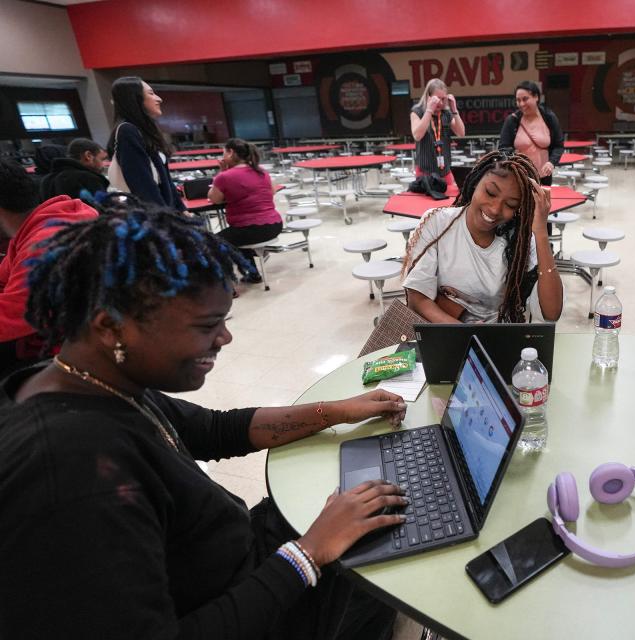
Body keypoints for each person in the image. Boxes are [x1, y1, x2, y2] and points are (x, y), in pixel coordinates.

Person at [0, 202, 408, 639]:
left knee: (367, 499)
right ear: (110, 327)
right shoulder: (69, 473)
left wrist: (336, 410)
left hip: (238, 560)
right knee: (386, 556)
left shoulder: (94, 378)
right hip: (242, 607)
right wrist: (309, 553)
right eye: (206, 326)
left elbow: (215, 430)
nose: (225, 338)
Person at [402, 150, 562, 323]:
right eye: (490, 193)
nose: (494, 209)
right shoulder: (438, 223)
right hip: (443, 332)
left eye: (510, 204)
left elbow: (551, 313)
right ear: (475, 182)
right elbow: (417, 298)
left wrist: (540, 230)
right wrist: (466, 334)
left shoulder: (520, 241)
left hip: (496, 337)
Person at [0, 160, 98, 378]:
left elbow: (11, 317)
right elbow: (5, 277)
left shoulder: (44, 243)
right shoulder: (39, 225)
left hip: (71, 355)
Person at [208, 138, 283, 284]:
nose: (222, 157)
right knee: (235, 236)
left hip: (251, 230)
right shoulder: (261, 171)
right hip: (274, 225)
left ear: (230, 153)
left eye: (223, 153)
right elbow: (272, 191)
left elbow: (214, 199)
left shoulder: (224, 177)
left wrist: (221, 173)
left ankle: (226, 285)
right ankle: (253, 274)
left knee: (211, 243)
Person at [106, 76, 186, 211]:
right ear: (134, 99)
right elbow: (142, 185)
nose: (159, 99)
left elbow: (166, 180)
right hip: (152, 216)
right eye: (151, 93)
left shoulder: (146, 131)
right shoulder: (127, 131)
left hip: (165, 212)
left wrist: (181, 209)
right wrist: (165, 218)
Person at [498, 81, 564, 186]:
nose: (521, 104)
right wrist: (513, 161)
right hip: (519, 177)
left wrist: (551, 162)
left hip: (544, 177)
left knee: (542, 202)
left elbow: (558, 146)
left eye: (525, 99)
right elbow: (503, 148)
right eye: (518, 100)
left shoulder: (549, 117)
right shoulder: (512, 120)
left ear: (536, 97)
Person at [410, 78, 465, 191]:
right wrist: (429, 110)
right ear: (428, 97)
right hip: (425, 173)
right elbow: (417, 135)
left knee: (448, 204)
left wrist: (454, 110)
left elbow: (461, 133)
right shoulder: (417, 112)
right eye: (437, 98)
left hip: (445, 172)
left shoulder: (446, 113)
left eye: (443, 98)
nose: (440, 102)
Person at [38, 137, 110, 202]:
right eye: (102, 159)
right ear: (88, 156)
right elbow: (104, 209)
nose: (103, 165)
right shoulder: (89, 178)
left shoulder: (46, 180)